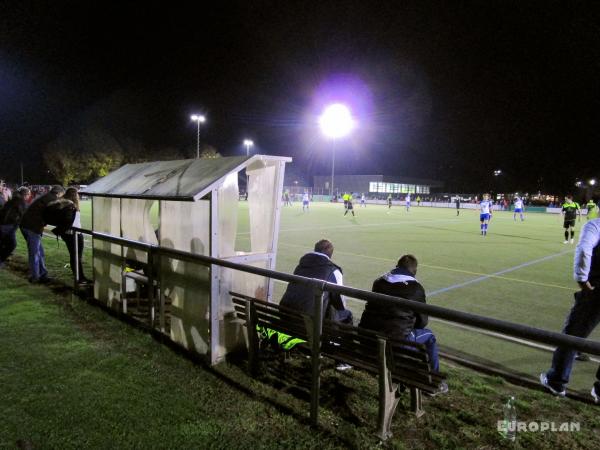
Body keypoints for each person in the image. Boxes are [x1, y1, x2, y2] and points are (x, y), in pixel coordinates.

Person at [359, 254, 447, 394]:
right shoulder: (416, 288)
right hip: (396, 344)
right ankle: (434, 382)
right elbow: (422, 322)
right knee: (429, 336)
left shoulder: (379, 282)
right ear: (414, 271)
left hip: (368, 340)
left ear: (397, 266)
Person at [540, 218, 600, 401]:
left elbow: (584, 248)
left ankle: (556, 381)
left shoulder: (596, 225)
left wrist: (582, 279)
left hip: (596, 292)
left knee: (572, 336)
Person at [280, 239, 353, 325]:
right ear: (330, 255)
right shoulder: (333, 271)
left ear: (315, 249)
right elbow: (340, 304)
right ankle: (331, 338)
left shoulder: (300, 266)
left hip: (285, 312)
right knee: (347, 314)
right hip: (308, 320)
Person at [20, 185, 65, 283]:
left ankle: (42, 274)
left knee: (39, 252)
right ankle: (35, 277)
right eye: (62, 195)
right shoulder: (52, 199)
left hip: (28, 225)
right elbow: (54, 215)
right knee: (35, 253)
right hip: (32, 227)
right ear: (59, 193)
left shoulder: (47, 197)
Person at [57, 187, 90, 283]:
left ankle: (78, 276)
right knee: (76, 256)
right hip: (73, 234)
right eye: (77, 194)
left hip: (70, 233)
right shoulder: (70, 206)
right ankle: (80, 278)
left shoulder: (64, 203)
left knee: (74, 256)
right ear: (74, 195)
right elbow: (69, 220)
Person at [0, 187, 31, 267]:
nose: (29, 196)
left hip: (5, 225)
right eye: (29, 194)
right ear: (25, 195)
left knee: (6, 244)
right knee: (11, 244)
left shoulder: (12, 200)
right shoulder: (21, 202)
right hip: (8, 226)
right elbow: (22, 217)